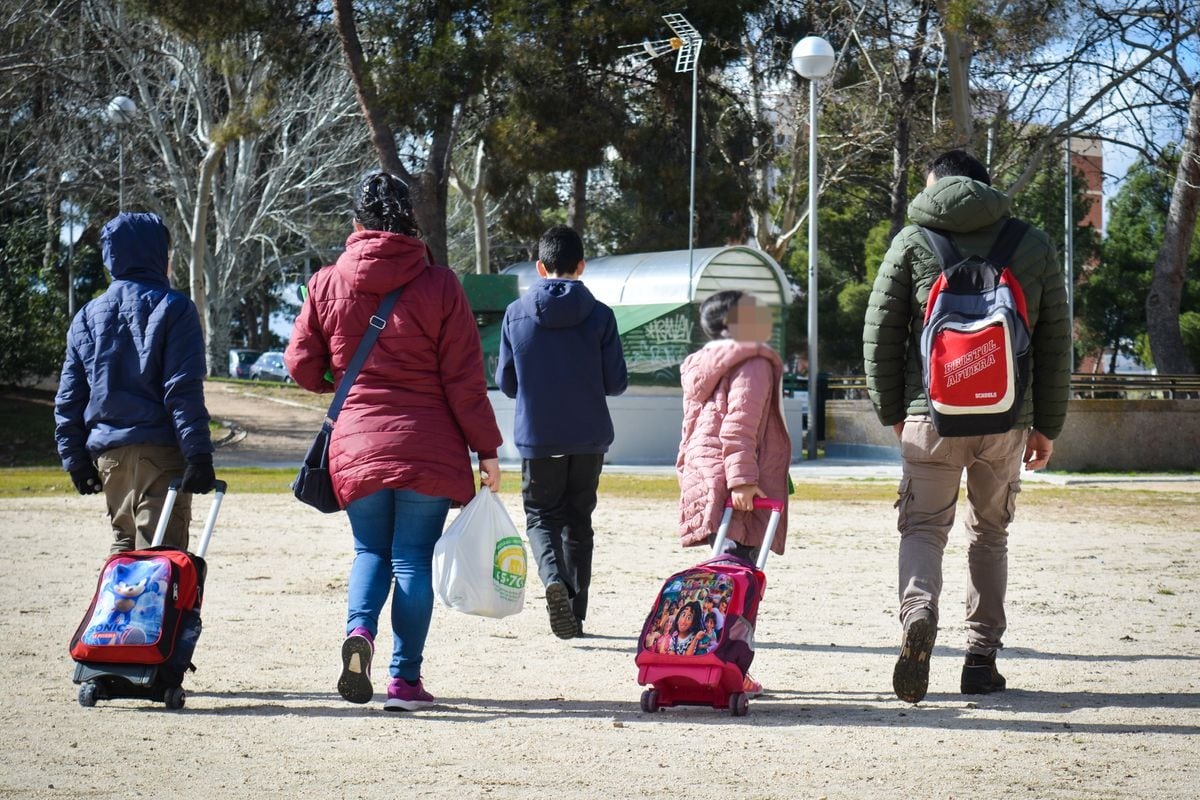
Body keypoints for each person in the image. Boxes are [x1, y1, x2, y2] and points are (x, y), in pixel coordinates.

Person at [285, 172, 502, 711]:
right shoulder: (442, 285)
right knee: (411, 560)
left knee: (369, 551)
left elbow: (300, 364)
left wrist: (335, 382)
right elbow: (464, 380)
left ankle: (360, 632)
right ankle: (404, 681)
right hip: (428, 445)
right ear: (410, 220)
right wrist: (487, 450)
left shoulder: (326, 282)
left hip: (356, 445)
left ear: (356, 222)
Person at [862, 149, 1071, 704]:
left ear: (935, 185)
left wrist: (892, 411)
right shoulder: (1032, 241)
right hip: (1006, 418)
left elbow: (880, 330)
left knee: (924, 529)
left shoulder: (912, 240)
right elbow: (1054, 339)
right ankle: (981, 659)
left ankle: (919, 611)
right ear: (985, 184)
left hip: (930, 415)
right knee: (991, 533)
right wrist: (1046, 423)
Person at [54, 212, 216, 554]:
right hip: (159, 451)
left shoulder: (88, 315)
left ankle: (115, 610)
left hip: (110, 459)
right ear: (158, 255)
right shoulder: (174, 308)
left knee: (125, 551)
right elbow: (182, 389)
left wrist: (76, 459)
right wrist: (199, 454)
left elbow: (70, 396)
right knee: (160, 557)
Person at [495, 224, 628, 639]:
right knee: (579, 520)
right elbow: (616, 383)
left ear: (540, 267)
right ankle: (577, 610)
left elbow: (506, 382)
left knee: (542, 517)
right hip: (589, 437)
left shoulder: (515, 314)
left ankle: (554, 579)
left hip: (539, 437)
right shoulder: (602, 316)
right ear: (581, 266)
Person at [676, 290, 792, 695]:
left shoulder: (704, 362)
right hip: (735, 483)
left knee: (718, 580)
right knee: (740, 583)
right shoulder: (753, 361)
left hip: (705, 475)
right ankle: (729, 667)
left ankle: (701, 656)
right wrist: (742, 479)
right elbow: (739, 424)